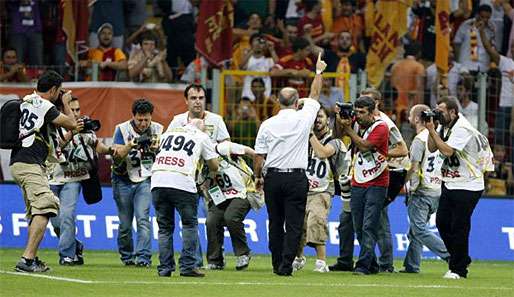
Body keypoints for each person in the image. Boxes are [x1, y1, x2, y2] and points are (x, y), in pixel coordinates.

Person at [254, 53, 326, 276]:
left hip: (273, 178)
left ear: (278, 101)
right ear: (297, 103)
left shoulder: (267, 124)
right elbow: (315, 92)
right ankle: (286, 265)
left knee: (275, 222)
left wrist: (258, 177)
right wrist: (319, 72)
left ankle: (276, 263)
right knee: (294, 224)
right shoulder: (304, 118)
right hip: (296, 178)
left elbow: (259, 156)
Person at [10, 70, 77, 272]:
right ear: (54, 89)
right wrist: (66, 102)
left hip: (20, 162)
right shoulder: (45, 105)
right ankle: (27, 260)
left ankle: (31, 257)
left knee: (36, 212)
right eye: (59, 92)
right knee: (47, 206)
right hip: (29, 164)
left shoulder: (27, 101)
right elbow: (72, 123)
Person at [425, 96, 493, 279]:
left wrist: (433, 130)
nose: (438, 114)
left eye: (441, 111)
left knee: (459, 226)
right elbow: (432, 149)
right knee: (442, 222)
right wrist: (432, 129)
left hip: (469, 184)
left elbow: (447, 151)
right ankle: (461, 258)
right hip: (452, 181)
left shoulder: (462, 127)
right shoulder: (444, 125)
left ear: (453, 112)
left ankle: (458, 269)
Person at [166, 84, 231, 268]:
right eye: (193, 98)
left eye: (201, 98)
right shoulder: (177, 121)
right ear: (186, 101)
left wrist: (212, 151)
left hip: (212, 178)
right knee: (190, 220)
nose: (198, 102)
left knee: (214, 220)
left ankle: (216, 259)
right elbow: (167, 143)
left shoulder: (216, 120)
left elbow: (226, 144)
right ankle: (195, 260)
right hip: (187, 178)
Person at [48, 97, 118, 265]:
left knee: (67, 216)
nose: (77, 114)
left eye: (78, 110)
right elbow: (53, 149)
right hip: (52, 177)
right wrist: (72, 132)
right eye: (72, 110)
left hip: (73, 179)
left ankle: (66, 255)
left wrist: (110, 149)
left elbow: (97, 145)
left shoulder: (85, 129)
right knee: (55, 220)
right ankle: (75, 245)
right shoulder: (52, 126)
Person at [152, 119, 219, 277]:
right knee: (189, 225)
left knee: (164, 228)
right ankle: (188, 266)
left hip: (158, 180)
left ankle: (165, 268)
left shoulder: (168, 134)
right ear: (202, 129)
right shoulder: (202, 136)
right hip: (182, 181)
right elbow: (215, 165)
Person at [337, 95, 390, 275]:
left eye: (362, 112)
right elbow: (338, 136)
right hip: (358, 179)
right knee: (358, 224)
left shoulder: (381, 127)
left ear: (371, 112)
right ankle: (372, 264)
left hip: (377, 181)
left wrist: (349, 129)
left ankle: (363, 265)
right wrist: (341, 122)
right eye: (356, 112)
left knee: (369, 225)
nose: (358, 116)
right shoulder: (356, 123)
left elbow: (365, 146)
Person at [292, 106, 349, 273]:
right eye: (314, 117)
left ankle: (321, 262)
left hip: (322, 190)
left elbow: (323, 153)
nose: (317, 119)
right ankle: (299, 257)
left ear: (327, 120)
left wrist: (308, 133)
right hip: (300, 189)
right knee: (298, 226)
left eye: (321, 116)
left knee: (316, 221)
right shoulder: (300, 141)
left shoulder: (335, 141)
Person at [361, 87, 409, 273]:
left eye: (367, 101)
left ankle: (386, 263)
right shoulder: (367, 120)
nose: (361, 104)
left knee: (379, 219)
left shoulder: (386, 124)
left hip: (393, 172)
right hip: (376, 170)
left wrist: (381, 154)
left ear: (377, 104)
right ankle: (373, 261)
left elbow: (403, 150)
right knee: (371, 218)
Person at [111, 99, 163, 267]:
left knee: (143, 219)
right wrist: (130, 146)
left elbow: (164, 155)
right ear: (133, 116)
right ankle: (127, 256)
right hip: (122, 179)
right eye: (139, 119)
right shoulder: (121, 129)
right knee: (125, 224)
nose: (143, 123)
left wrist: (157, 149)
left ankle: (143, 258)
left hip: (145, 180)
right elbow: (116, 156)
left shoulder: (158, 129)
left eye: (146, 119)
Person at [401, 104, 449, 273]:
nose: (408, 118)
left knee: (419, 230)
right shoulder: (438, 137)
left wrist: (403, 183)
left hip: (421, 191)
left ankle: (450, 255)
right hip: (436, 189)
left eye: (409, 115)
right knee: (414, 232)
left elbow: (413, 168)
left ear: (416, 119)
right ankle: (412, 266)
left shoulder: (419, 140)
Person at [204, 141, 257, 270]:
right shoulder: (198, 159)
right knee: (211, 221)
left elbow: (250, 152)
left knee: (231, 217)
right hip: (221, 196)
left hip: (244, 191)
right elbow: (205, 184)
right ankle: (215, 261)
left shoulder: (224, 147)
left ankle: (243, 254)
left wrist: (261, 170)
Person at [479, 19, 514, 146]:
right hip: (504, 104)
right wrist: (482, 31)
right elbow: (488, 49)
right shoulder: (505, 62)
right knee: (499, 139)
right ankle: (499, 165)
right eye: (512, 46)